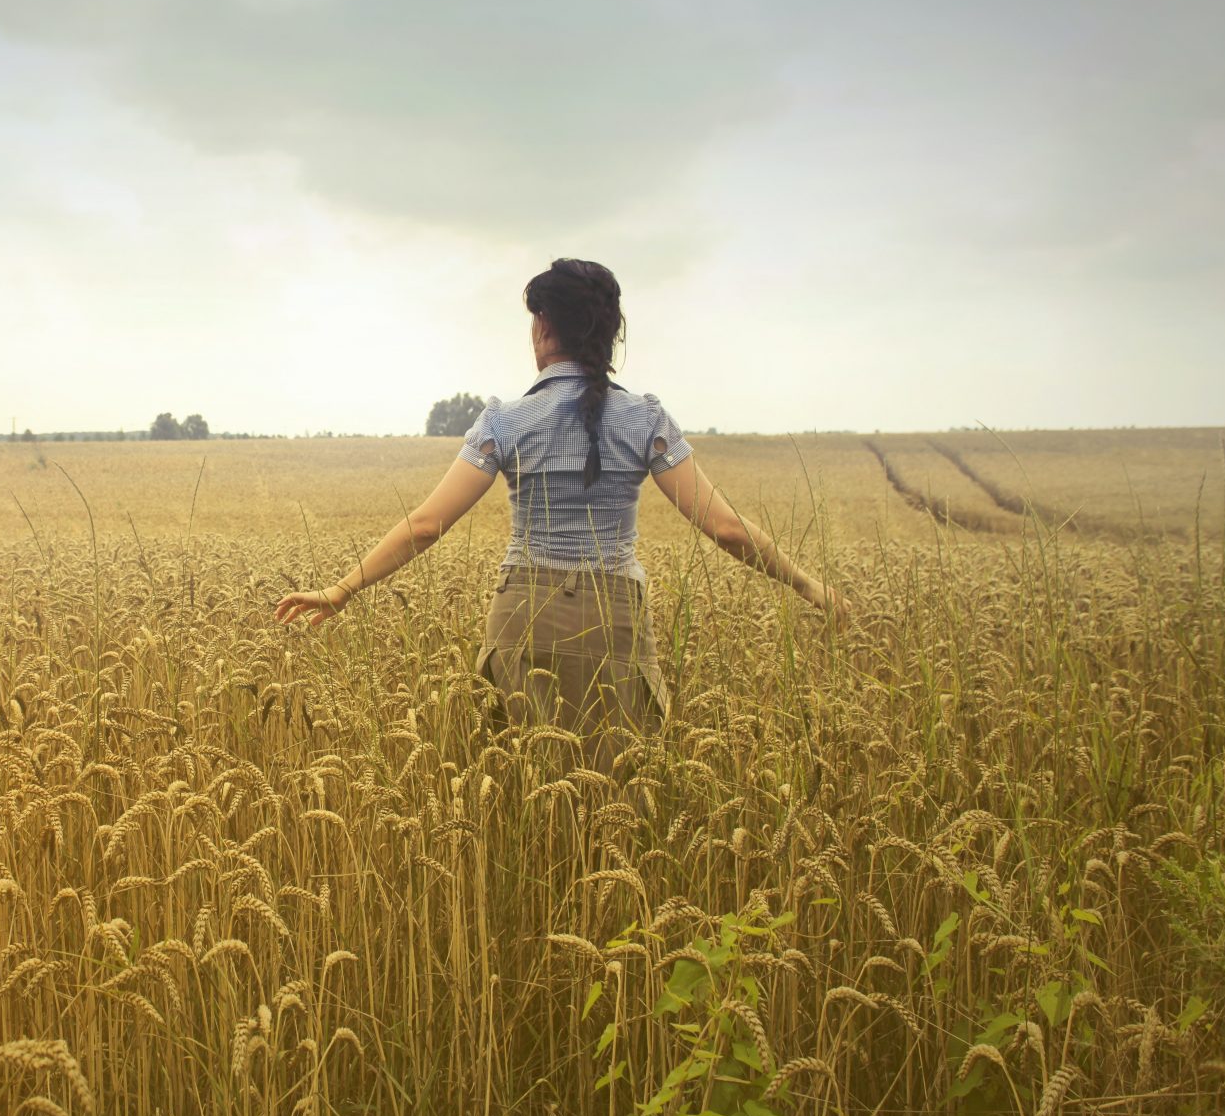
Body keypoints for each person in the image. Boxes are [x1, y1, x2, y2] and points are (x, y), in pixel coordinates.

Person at [274, 257, 847, 759]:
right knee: (616, 789)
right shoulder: (648, 419)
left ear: (543, 327)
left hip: (524, 612)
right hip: (614, 615)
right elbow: (726, 528)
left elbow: (426, 524)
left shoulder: (503, 420)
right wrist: (811, 587)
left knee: (522, 786)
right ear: (607, 333)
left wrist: (343, 589)